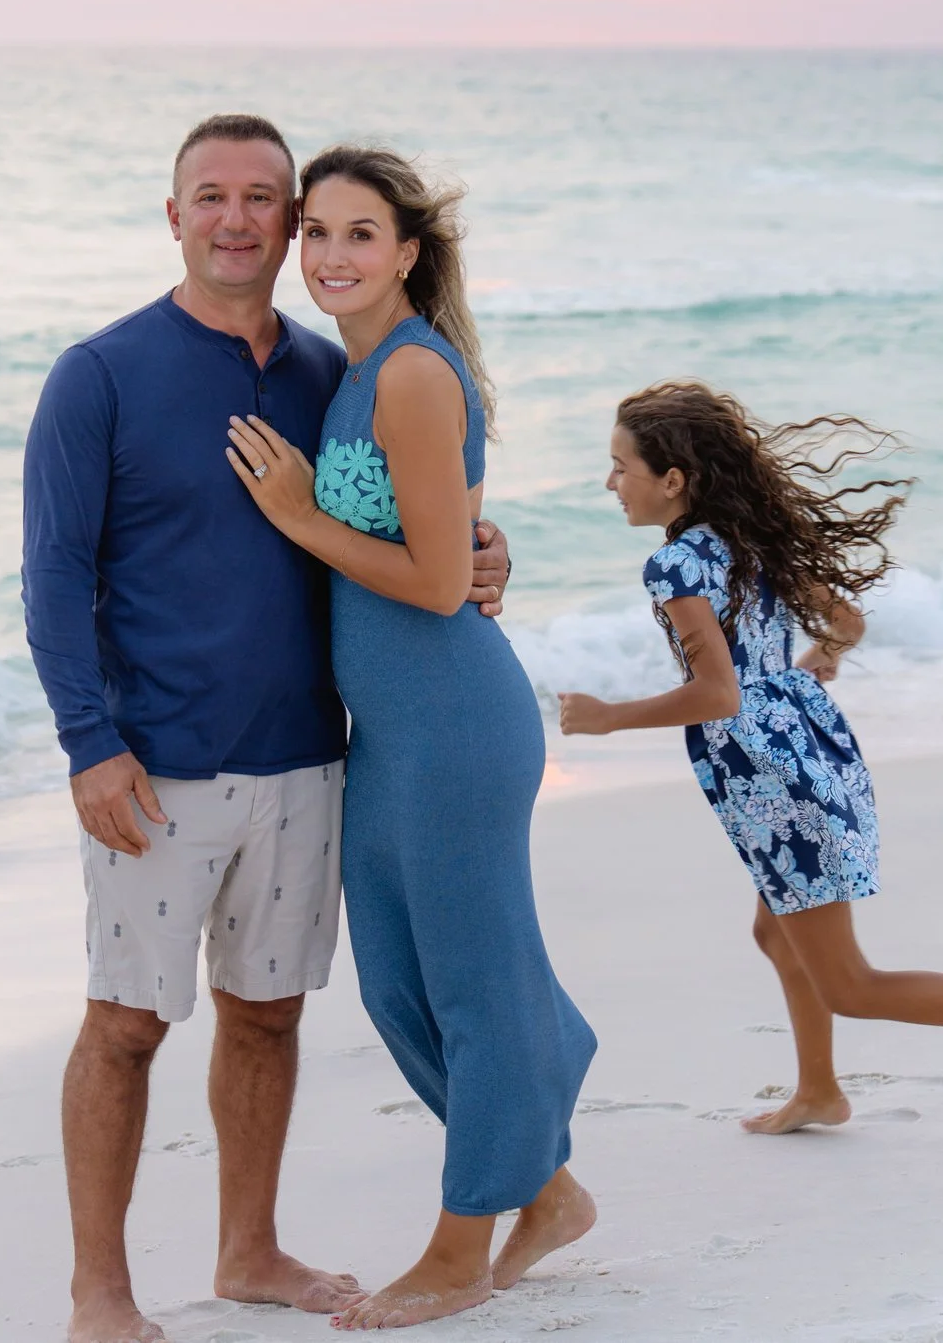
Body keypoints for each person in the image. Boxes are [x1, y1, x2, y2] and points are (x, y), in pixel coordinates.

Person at [23, 117, 513, 1343]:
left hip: (309, 749)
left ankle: (248, 1247)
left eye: (262, 199)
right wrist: (89, 742)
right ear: (173, 213)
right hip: (157, 762)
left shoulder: (327, 369)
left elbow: (413, 525)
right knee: (125, 1025)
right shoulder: (102, 372)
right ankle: (100, 1290)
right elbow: (50, 576)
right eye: (212, 196)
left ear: (289, 222)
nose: (236, 219)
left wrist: (490, 553)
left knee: (268, 1011)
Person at [225, 146, 596, 1331]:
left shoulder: (413, 376)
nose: (330, 255)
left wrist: (292, 515)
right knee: (397, 983)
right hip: (391, 731)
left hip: (454, 723)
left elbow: (439, 583)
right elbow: (460, 536)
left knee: (475, 986)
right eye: (316, 233)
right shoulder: (355, 369)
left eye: (358, 233)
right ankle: (547, 1188)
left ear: (408, 251)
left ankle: (457, 1242)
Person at [555, 382, 943, 1134]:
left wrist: (610, 719)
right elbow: (845, 621)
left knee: (849, 983)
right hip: (805, 749)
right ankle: (819, 1093)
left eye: (619, 466)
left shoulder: (674, 566)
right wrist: (809, 667)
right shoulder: (753, 537)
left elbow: (716, 696)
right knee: (776, 932)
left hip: (773, 780)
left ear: (673, 480)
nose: (611, 483)